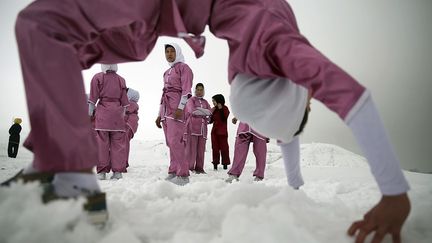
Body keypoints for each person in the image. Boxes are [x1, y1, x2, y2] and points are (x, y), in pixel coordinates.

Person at [12, 0, 410, 241]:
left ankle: (62, 171)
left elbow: (287, 131)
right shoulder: (278, 43)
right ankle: (61, 169)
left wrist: (295, 187)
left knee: (51, 35)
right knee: (52, 35)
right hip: (165, 14)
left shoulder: (261, 62)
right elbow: (349, 97)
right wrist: (394, 192)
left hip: (163, 16)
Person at [155, 43, 193, 186]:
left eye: (172, 51)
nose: (169, 54)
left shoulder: (184, 68)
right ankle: (173, 171)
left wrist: (181, 107)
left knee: (175, 141)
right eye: (167, 52)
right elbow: (163, 93)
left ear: (177, 52)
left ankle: (183, 175)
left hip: (176, 107)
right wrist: (159, 114)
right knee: (170, 142)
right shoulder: (166, 72)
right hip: (166, 109)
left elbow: (186, 90)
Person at [88, 64, 129, 180]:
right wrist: (123, 115)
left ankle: (102, 172)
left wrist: (89, 114)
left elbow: (92, 99)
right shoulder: (121, 79)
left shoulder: (98, 78)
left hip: (103, 117)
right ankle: (117, 172)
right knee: (118, 145)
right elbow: (125, 102)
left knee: (102, 145)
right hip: (117, 116)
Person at [226, 118, 269, 183]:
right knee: (239, 149)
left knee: (260, 151)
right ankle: (234, 174)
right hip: (245, 124)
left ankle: (259, 175)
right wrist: (237, 116)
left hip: (260, 123)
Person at [184, 83, 212, 174]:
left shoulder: (205, 102)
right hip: (192, 128)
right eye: (198, 89)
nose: (200, 92)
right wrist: (205, 112)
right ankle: (190, 168)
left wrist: (199, 110)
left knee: (201, 150)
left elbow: (210, 112)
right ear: (195, 90)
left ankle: (199, 168)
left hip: (203, 129)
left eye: (201, 90)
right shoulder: (190, 100)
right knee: (191, 150)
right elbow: (192, 111)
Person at [210, 94, 231, 170]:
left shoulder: (225, 108)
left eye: (214, 101)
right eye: (212, 101)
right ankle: (215, 165)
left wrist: (221, 109)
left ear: (219, 100)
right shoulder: (214, 109)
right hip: (214, 132)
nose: (213, 102)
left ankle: (225, 165)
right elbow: (210, 120)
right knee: (215, 148)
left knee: (224, 149)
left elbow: (224, 117)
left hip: (222, 133)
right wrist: (208, 115)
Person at [124, 88, 140, 168]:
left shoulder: (130, 104)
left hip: (128, 125)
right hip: (131, 125)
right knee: (124, 143)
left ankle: (123, 162)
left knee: (123, 143)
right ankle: (122, 162)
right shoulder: (133, 104)